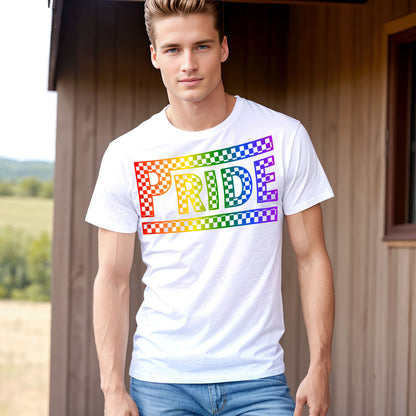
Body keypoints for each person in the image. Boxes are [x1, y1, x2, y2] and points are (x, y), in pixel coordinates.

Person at [85, 0, 335, 415]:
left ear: (223, 48)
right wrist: (112, 388)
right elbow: (111, 280)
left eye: (201, 46)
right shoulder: (126, 155)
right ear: (154, 56)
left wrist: (321, 365)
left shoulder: (283, 137)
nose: (188, 64)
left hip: (258, 381)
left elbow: (311, 258)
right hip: (160, 383)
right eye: (173, 50)